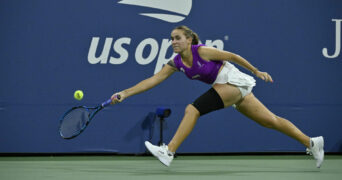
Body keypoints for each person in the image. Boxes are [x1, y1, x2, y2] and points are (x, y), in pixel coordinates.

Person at [111, 25, 324, 168]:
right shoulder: (175, 63)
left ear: (189, 39)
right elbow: (153, 80)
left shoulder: (201, 51)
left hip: (233, 81)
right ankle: (312, 142)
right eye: (171, 39)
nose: (173, 42)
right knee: (270, 121)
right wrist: (124, 93)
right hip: (228, 87)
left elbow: (232, 56)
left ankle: (169, 151)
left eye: (178, 38)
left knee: (192, 109)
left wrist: (256, 71)